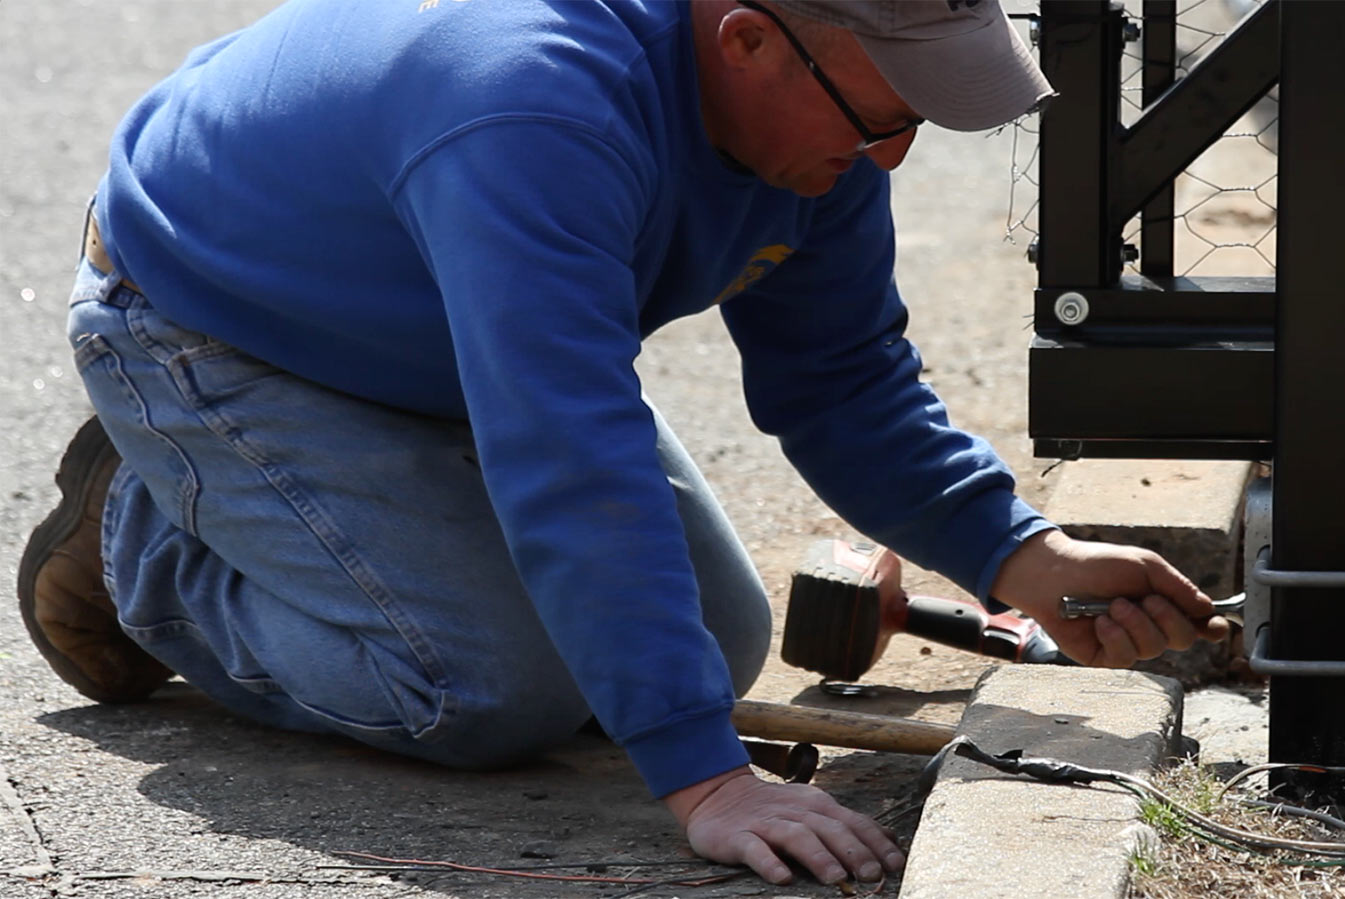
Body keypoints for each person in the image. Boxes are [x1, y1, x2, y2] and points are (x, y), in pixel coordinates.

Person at [19, 0, 1229, 886]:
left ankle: (279, 519)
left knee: (717, 644)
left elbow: (842, 382)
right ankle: (144, 545)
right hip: (218, 329)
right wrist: (703, 778)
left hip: (457, 346)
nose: (893, 154)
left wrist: (1020, 554)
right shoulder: (532, 107)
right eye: (885, 114)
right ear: (749, 37)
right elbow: (569, 452)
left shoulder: (824, 132)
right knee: (486, 687)